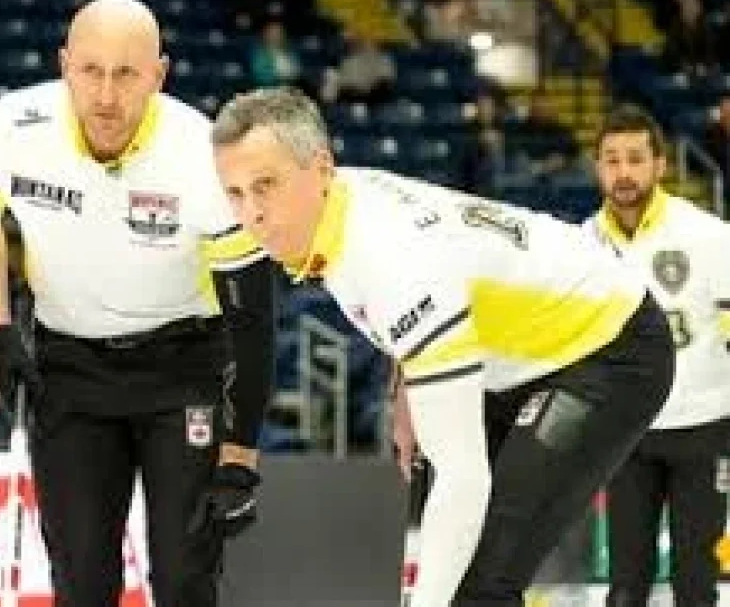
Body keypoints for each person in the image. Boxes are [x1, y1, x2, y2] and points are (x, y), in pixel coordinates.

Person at [209, 87, 674, 607]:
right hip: (520, 349)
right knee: (462, 563)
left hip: (610, 347)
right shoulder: (339, 206)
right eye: (236, 193)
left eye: (266, 186)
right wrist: (408, 379)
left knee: (476, 581)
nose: (252, 214)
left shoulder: (390, 257)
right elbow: (415, 297)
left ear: (319, 168)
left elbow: (463, 474)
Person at [0, 0, 275, 607]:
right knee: (82, 582)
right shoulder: (8, 131)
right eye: (89, 70)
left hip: (183, 369)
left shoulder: (204, 159)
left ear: (159, 73)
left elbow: (253, 314)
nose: (105, 94)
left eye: (126, 73)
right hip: (68, 369)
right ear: (63, 64)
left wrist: (241, 450)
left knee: (184, 579)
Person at [582, 105, 730, 607]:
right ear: (597, 167)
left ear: (660, 165)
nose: (624, 173)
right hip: (625, 436)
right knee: (625, 585)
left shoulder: (708, 236)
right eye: (612, 160)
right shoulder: (580, 247)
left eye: (635, 159)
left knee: (696, 584)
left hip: (705, 428)